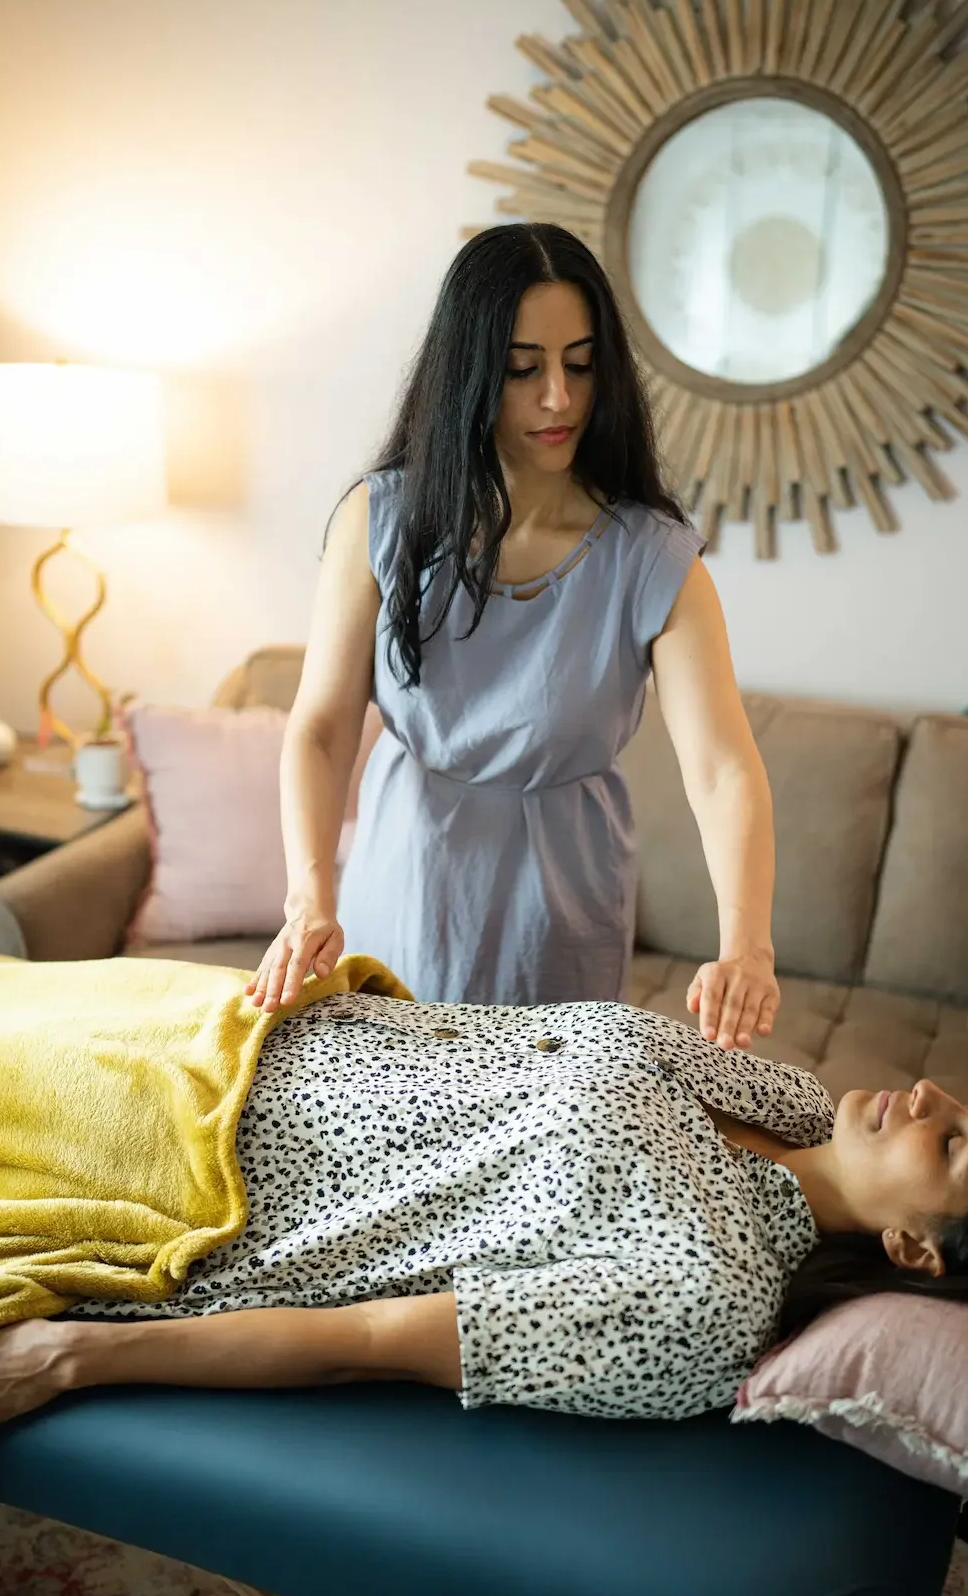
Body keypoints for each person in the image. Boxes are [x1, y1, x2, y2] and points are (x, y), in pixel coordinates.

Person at [0, 990, 968, 1454]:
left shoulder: (707, 1303)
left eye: (948, 1141)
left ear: (916, 1248)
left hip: (212, 1180)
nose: (926, 1094)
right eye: (959, 1104)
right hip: (248, 1034)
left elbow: (374, 1339)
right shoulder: (792, 1096)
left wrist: (79, 1354)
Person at [246, 223, 780, 1050]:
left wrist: (747, 944)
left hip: (563, 906)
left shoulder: (652, 559)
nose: (559, 398)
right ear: (469, 372)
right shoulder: (381, 519)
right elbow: (319, 728)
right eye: (523, 369)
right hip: (407, 873)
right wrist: (308, 896)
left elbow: (722, 768)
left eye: (581, 362)